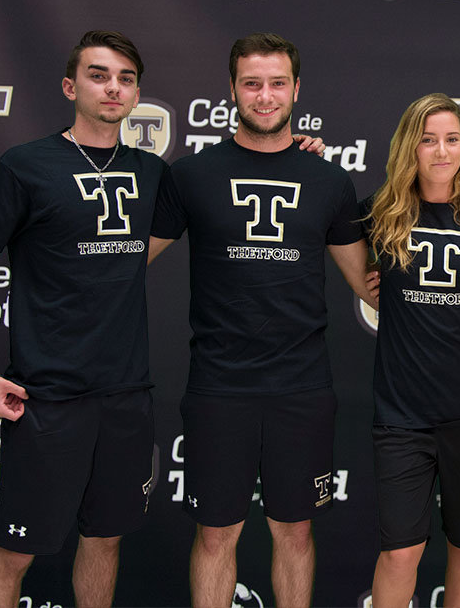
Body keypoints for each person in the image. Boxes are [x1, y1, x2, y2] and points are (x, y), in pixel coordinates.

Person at [148, 33, 375, 607]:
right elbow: (124, 259)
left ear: (297, 89)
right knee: (215, 535)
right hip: (219, 386)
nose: (265, 96)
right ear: (232, 89)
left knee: (294, 533)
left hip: (301, 386)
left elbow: (367, 283)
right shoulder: (191, 175)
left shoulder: (328, 179)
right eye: (252, 83)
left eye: (277, 83)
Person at [0, 30, 164, 608]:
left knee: (104, 542)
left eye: (125, 79)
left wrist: (298, 150)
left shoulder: (152, 172)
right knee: (12, 554)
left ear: (136, 93)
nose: (112, 87)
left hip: (125, 397)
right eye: (98, 75)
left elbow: (225, 181)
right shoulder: (26, 166)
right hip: (46, 399)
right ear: (70, 87)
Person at [361, 93, 460, 607]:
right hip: (401, 415)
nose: (441, 151)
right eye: (428, 139)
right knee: (401, 552)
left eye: (452, 139)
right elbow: (321, 218)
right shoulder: (377, 214)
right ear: (410, 146)